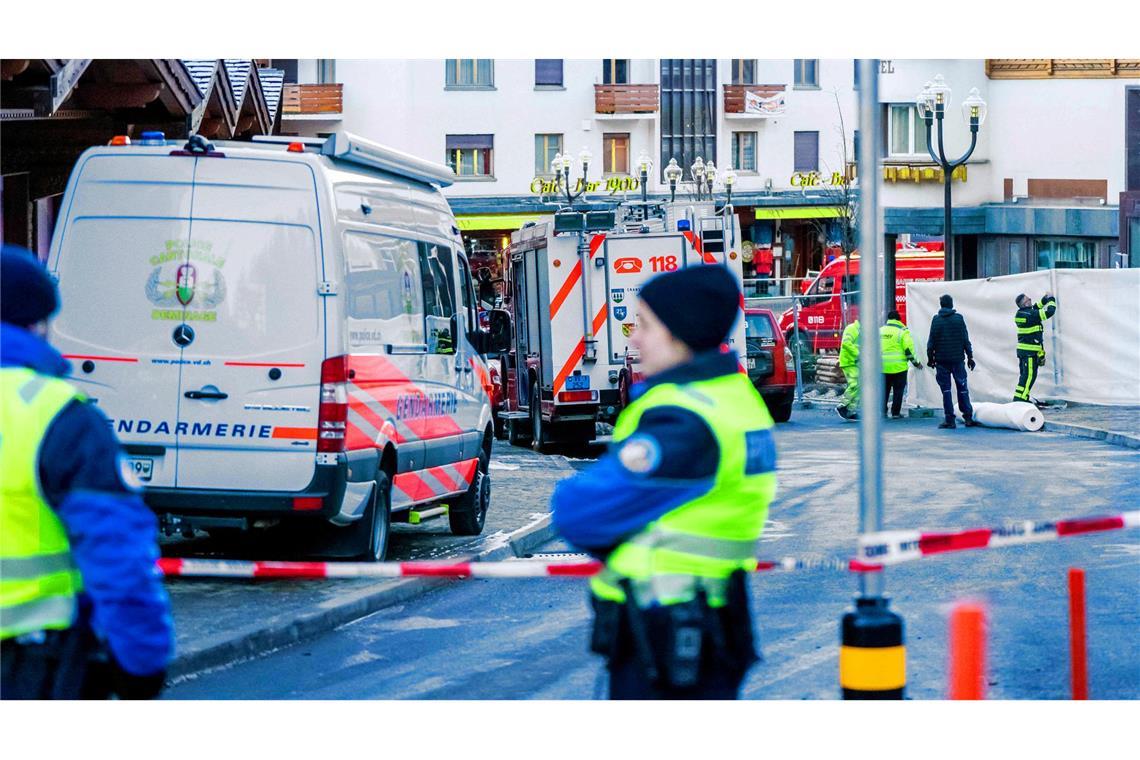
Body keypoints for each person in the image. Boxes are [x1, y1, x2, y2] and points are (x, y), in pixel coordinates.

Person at [552, 265, 776, 700]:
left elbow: (579, 512)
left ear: (679, 333)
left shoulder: (683, 420)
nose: (633, 337)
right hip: (708, 621)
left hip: (667, 636)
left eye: (646, 324)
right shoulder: (733, 398)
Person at [0, 245, 174, 700]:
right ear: (37, 324)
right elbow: (117, 553)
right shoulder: (57, 417)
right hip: (29, 669)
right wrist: (142, 662)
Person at [926, 294, 979, 429]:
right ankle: (968, 417)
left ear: (941, 305)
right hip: (957, 360)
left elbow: (931, 342)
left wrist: (930, 359)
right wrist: (970, 357)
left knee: (946, 391)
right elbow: (965, 339)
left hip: (942, 361)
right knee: (962, 388)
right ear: (951, 304)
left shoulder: (936, 320)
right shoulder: (958, 319)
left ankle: (950, 420)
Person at [1013, 292, 1058, 404]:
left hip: (1025, 351)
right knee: (1029, 377)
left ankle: (1022, 398)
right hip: (1029, 352)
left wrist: (1044, 299)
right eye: (1028, 299)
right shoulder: (1030, 315)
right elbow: (1049, 312)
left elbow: (1035, 308)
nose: (1030, 298)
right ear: (1025, 303)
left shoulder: (1022, 314)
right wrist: (1052, 299)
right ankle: (1020, 401)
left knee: (1025, 376)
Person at [880, 310, 923, 419]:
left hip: (882, 367)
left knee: (884, 390)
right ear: (899, 319)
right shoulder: (902, 331)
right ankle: (895, 413)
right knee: (898, 391)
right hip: (899, 368)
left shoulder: (880, 331)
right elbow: (908, 350)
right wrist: (916, 363)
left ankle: (882, 412)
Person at [836, 317, 860, 421]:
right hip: (849, 362)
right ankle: (842, 405)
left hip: (855, 362)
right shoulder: (852, 329)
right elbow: (846, 343)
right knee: (855, 384)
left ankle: (851, 410)